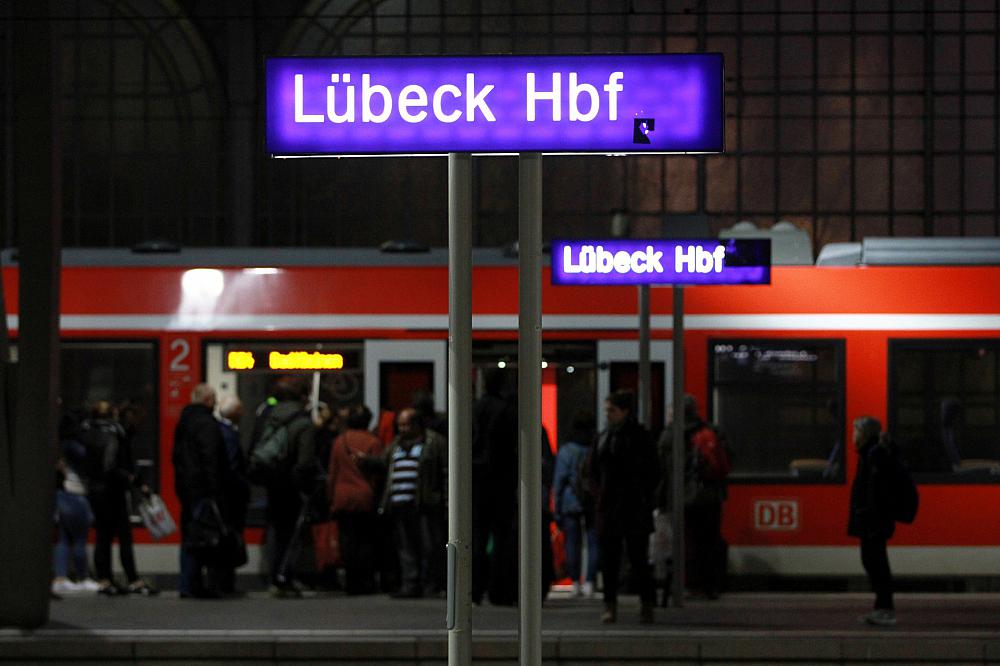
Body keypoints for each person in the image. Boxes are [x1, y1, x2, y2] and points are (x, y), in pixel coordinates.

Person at [588, 389, 658, 623]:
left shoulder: (633, 438)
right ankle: (613, 604)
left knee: (636, 559)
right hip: (614, 508)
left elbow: (653, 473)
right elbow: (591, 471)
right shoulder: (606, 437)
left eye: (612, 410)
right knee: (612, 560)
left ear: (625, 411)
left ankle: (643, 604)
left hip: (631, 507)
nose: (607, 414)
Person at [81, 401, 158, 596]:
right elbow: (114, 464)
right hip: (113, 490)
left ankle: (105, 579)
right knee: (124, 536)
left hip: (95, 490)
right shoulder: (115, 432)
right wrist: (135, 480)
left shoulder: (88, 431)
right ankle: (133, 578)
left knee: (102, 537)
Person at [658, 394, 729, 600]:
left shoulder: (669, 436)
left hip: (682, 498)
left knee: (685, 542)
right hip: (711, 497)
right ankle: (711, 585)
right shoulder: (713, 432)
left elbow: (663, 471)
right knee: (709, 540)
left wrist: (661, 499)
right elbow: (727, 460)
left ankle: (689, 584)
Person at [257, 376, 319, 597]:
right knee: (293, 533)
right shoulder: (303, 422)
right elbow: (305, 462)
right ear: (303, 397)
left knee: (276, 530)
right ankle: (286, 577)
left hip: (273, 483)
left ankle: (274, 576)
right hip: (293, 486)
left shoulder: (267, 416)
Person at [378, 407, 448, 598]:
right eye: (400, 425)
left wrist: (446, 500)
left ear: (417, 425)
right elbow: (383, 463)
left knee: (430, 545)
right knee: (406, 546)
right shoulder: (396, 444)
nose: (403, 429)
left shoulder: (434, 442)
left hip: (424, 503)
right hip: (401, 502)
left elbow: (445, 472)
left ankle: (432, 583)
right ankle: (411, 583)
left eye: (407, 424)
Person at [173, 384, 229, 598]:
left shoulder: (184, 422)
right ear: (208, 400)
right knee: (204, 537)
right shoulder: (206, 423)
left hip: (186, 488)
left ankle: (188, 582)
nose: (215, 403)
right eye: (213, 399)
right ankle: (194, 583)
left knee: (190, 535)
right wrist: (215, 490)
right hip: (203, 490)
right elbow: (211, 459)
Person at [470, 368, 517, 606]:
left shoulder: (474, 409)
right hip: (502, 481)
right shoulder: (507, 411)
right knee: (502, 538)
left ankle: (475, 589)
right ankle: (499, 589)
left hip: (476, 480)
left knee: (477, 536)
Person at [327, 403, 384, 594]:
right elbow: (378, 473)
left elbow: (332, 473)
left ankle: (352, 582)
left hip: (343, 495)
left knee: (347, 541)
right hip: (364, 495)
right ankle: (366, 581)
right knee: (366, 540)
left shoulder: (339, 441)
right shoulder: (373, 442)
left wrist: (331, 497)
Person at [848, 416, 897, 626]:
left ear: (865, 434)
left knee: (876, 562)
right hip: (870, 519)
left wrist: (870, 516)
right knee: (872, 561)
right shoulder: (868, 454)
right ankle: (881, 607)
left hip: (874, 521)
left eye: (856, 431)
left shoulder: (875, 456)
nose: (853, 435)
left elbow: (877, 490)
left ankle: (885, 609)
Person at [52, 411, 100, 593]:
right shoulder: (76, 446)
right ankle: (83, 577)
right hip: (76, 493)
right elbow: (89, 460)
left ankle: (60, 577)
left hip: (62, 493)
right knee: (80, 539)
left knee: (63, 538)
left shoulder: (61, 445)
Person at [553, 411, 598, 598]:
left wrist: (556, 508)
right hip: (592, 500)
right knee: (593, 542)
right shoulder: (595, 448)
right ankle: (590, 581)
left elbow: (559, 481)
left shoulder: (567, 451)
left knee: (572, 542)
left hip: (571, 501)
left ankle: (574, 582)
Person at [217, 394, 250, 595]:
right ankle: (225, 583)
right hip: (232, 496)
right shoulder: (229, 435)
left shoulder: (223, 432)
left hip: (228, 494)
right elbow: (232, 466)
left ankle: (224, 582)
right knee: (229, 537)